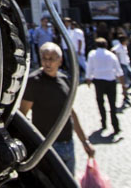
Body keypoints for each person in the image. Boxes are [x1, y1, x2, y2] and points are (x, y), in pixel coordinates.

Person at [21, 42, 94, 175]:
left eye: (52, 59)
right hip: (47, 146)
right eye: (44, 58)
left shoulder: (64, 79)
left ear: (60, 61)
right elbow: (22, 115)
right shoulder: (34, 82)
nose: (48, 63)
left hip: (68, 144)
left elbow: (70, 112)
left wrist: (85, 141)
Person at [85, 37, 122, 134]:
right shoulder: (111, 55)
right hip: (111, 80)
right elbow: (118, 70)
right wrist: (123, 83)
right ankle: (115, 125)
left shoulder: (92, 54)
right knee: (112, 104)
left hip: (98, 81)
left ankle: (103, 122)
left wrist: (88, 78)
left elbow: (89, 67)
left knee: (100, 103)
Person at [112, 34, 131, 105]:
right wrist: (117, 62)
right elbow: (113, 51)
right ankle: (125, 96)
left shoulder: (124, 47)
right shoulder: (118, 47)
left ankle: (125, 91)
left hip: (127, 64)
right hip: (122, 65)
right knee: (124, 82)